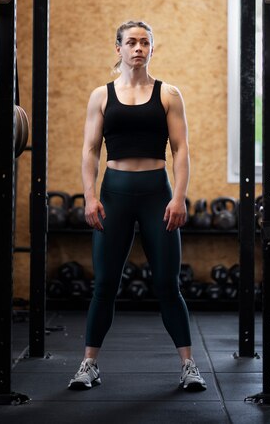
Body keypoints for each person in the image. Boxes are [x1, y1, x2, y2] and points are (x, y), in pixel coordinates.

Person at [68, 20, 207, 392]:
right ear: (118, 49)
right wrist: (90, 196)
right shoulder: (101, 95)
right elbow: (90, 150)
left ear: (151, 49)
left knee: (166, 283)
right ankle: (88, 364)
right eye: (131, 42)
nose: (138, 48)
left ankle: (189, 365)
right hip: (114, 193)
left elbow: (181, 150)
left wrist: (178, 196)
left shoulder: (168, 95)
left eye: (145, 42)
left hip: (156, 195)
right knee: (105, 284)